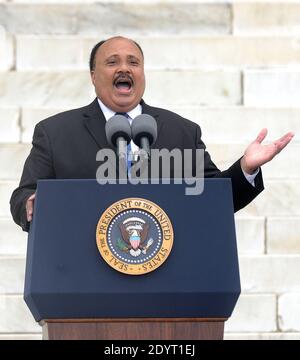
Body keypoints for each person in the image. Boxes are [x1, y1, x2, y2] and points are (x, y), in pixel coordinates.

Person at [10, 36, 294, 232]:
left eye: (133, 62)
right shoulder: (55, 132)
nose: (124, 67)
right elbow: (23, 196)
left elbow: (216, 200)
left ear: (143, 73)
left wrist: (246, 168)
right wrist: (30, 205)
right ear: (93, 76)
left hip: (168, 283)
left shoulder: (181, 132)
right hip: (79, 282)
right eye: (112, 62)